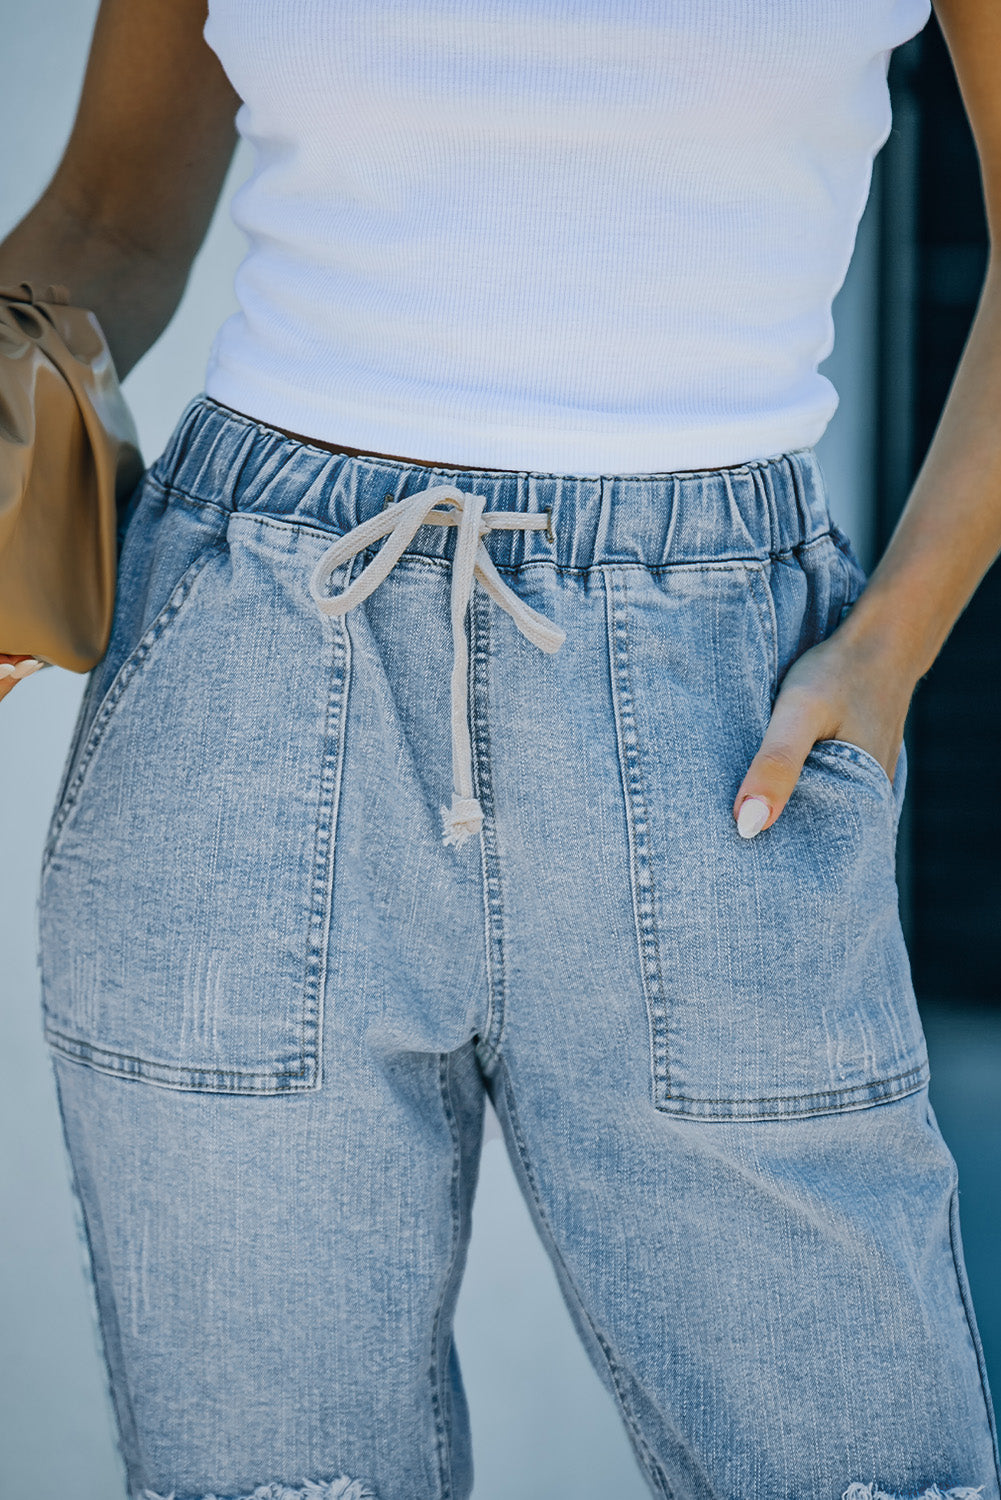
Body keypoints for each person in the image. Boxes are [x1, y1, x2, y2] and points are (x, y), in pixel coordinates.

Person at [2, 0, 999, 1495]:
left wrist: (888, 649)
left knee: (853, 1467)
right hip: (249, 684)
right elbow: (106, 213)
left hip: (718, 707)